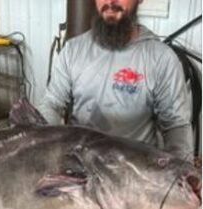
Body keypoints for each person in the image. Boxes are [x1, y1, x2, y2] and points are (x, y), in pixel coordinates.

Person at [37, 0, 193, 160]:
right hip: (81, 168)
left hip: (134, 171)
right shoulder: (72, 50)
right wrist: (40, 144)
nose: (110, 1)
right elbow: (51, 103)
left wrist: (180, 174)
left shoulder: (161, 58)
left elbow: (176, 125)